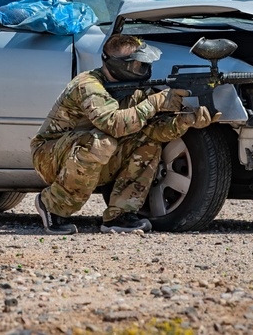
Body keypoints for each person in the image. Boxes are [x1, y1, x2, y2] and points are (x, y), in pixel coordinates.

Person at [30, 34, 221, 234]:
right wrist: (155, 103)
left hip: (88, 154)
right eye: (138, 65)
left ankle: (120, 215)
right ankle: (52, 205)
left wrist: (185, 121)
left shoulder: (134, 89)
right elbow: (113, 124)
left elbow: (152, 130)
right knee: (101, 142)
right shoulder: (88, 85)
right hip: (50, 155)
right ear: (118, 65)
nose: (144, 70)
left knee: (149, 142)